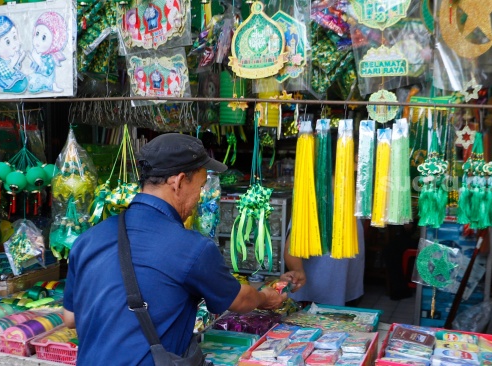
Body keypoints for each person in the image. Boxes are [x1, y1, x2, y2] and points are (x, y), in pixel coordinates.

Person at [63, 134, 287, 365]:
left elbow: (70, 318)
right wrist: (263, 297)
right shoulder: (193, 248)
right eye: (200, 187)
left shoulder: (87, 240)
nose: (200, 197)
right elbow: (239, 300)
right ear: (178, 182)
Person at [282, 219, 366, 306]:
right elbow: (292, 246)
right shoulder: (312, 206)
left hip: (349, 289)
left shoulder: (355, 208)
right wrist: (297, 270)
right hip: (315, 294)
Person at [0, 15, 27, 94]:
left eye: (14, 37)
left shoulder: (11, 57)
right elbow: (6, 74)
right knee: (20, 86)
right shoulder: (0, 62)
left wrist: (19, 59)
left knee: (24, 82)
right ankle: (1, 89)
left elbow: (17, 67)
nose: (14, 44)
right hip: (5, 80)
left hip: (13, 77)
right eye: (8, 42)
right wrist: (13, 62)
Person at [28, 11, 67, 94]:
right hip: (39, 79)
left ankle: (52, 86)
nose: (37, 40)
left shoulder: (50, 57)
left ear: (55, 41)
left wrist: (38, 61)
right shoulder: (39, 53)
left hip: (46, 81)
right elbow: (34, 68)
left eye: (44, 37)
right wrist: (34, 60)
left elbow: (47, 71)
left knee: (31, 84)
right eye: (37, 33)